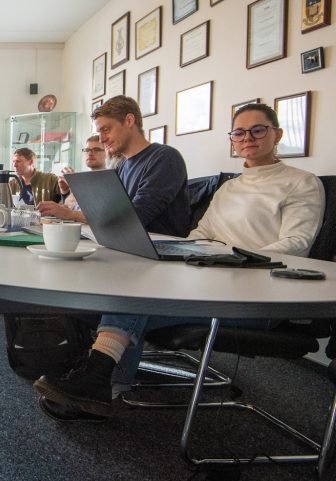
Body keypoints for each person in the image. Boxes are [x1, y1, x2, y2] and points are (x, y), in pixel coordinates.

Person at [33, 103, 325, 422]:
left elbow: (295, 246)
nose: (248, 138)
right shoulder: (230, 187)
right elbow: (202, 232)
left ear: (277, 134)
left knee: (136, 292)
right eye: (239, 132)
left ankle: (98, 381)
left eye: (258, 130)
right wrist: (187, 254)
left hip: (257, 293)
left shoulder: (302, 183)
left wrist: (235, 262)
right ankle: (101, 385)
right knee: (132, 289)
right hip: (214, 278)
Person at [92, 95, 191, 237]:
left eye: (106, 129)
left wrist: (74, 215)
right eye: (99, 132)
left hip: (160, 249)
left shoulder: (165, 158)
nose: (102, 139)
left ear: (129, 121)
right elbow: (110, 213)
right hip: (128, 244)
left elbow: (136, 217)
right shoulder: (121, 166)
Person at [35, 135, 110, 222]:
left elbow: (103, 217)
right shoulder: (83, 179)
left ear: (107, 152)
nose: (90, 153)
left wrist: (75, 187)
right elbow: (69, 208)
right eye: (87, 150)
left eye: (96, 150)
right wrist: (65, 192)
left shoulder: (111, 181)